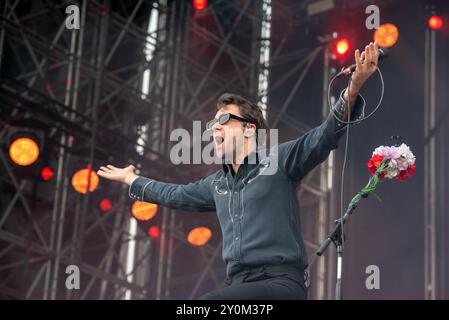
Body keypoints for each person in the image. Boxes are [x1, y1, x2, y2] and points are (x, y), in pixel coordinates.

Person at [97, 42, 380, 300]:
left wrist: (352, 89)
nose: (214, 127)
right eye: (212, 123)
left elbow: (323, 136)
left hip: (281, 284)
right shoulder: (217, 184)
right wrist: (131, 179)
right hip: (239, 287)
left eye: (223, 119)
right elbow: (174, 194)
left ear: (249, 130)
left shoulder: (278, 160)